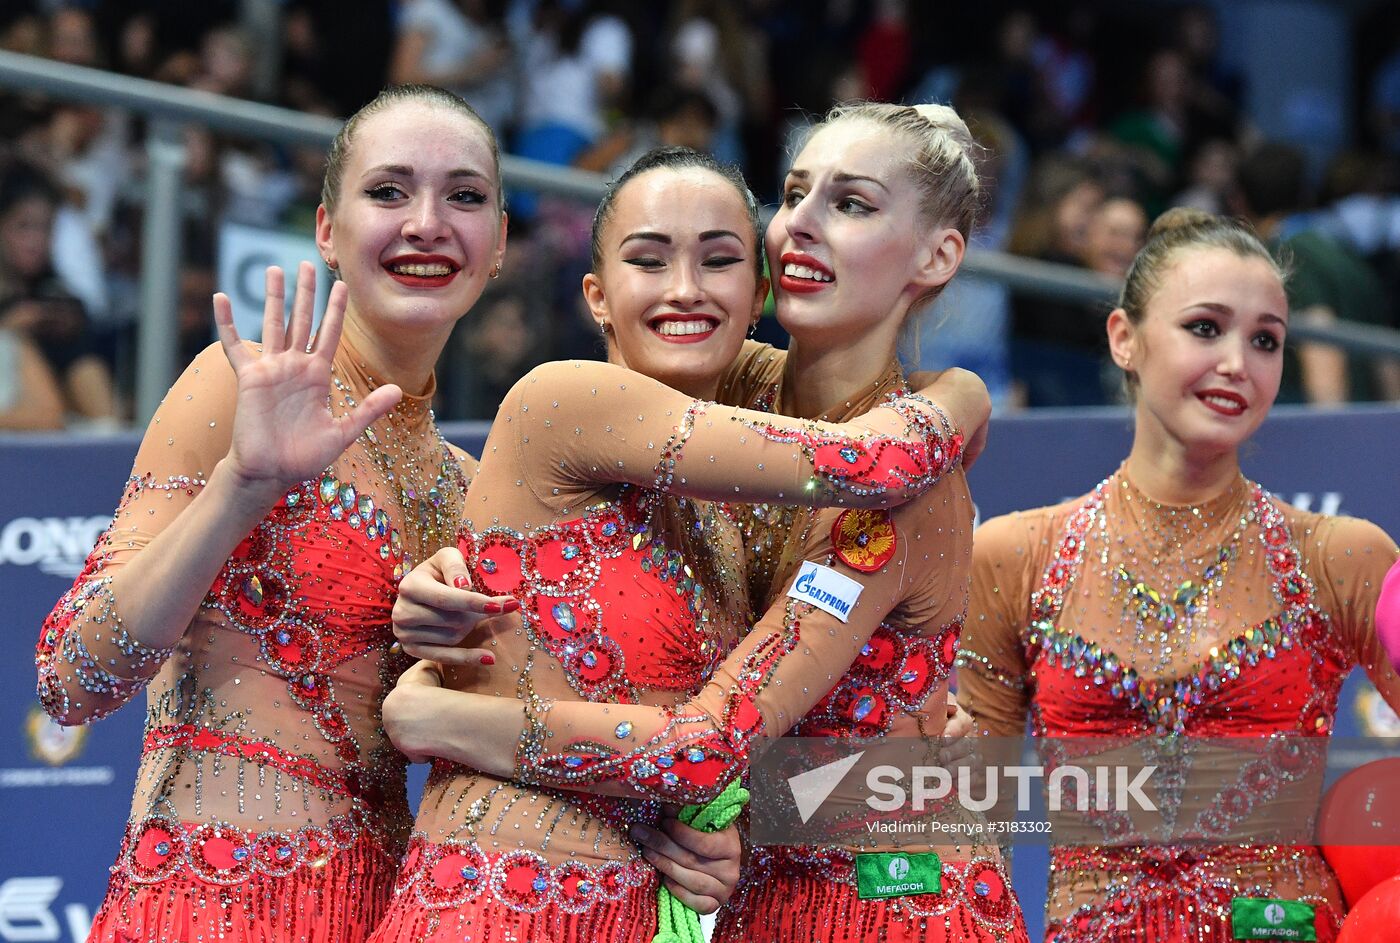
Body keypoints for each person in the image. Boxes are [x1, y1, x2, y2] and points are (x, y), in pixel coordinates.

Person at [33, 86, 733, 943]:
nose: (428, 223)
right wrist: (242, 488)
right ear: (327, 229)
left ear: (501, 243)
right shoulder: (239, 387)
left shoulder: (476, 490)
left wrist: (684, 833)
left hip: (391, 914)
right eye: (389, 191)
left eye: (465, 196)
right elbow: (71, 679)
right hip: (200, 908)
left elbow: (522, 747)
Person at [367, 144, 981, 941]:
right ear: (597, 295)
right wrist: (961, 398)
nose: (685, 288)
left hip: (850, 902)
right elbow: (873, 456)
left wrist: (440, 718)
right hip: (496, 904)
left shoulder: (762, 485)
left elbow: (714, 749)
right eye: (794, 194)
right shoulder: (572, 399)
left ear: (754, 290)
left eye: (718, 258)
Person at [957, 208, 1400, 942]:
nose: (1238, 362)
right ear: (1123, 338)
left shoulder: (1341, 555)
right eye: (1205, 327)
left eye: (1265, 340)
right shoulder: (1014, 555)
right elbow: (979, 828)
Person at [708, 101, 1028, 943]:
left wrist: (486, 732)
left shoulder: (913, 479)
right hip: (748, 889)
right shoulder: (721, 387)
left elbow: (736, 726)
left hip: (885, 903)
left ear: (939, 254)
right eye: (792, 193)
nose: (794, 229)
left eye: (850, 204)